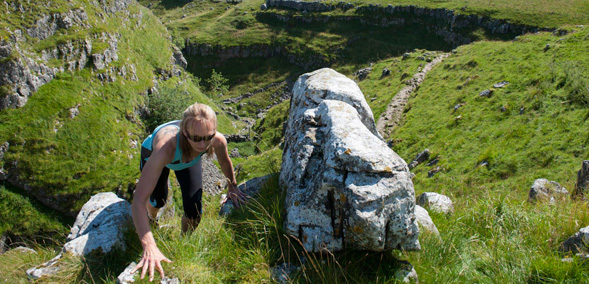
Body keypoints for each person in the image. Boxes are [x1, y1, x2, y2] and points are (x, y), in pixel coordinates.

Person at [131, 102, 246, 281]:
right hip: (157, 155)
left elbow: (224, 161)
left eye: (208, 137)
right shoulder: (165, 148)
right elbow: (138, 199)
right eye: (197, 138)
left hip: (187, 161)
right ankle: (152, 220)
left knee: (194, 212)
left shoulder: (215, 140)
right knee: (158, 200)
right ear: (184, 132)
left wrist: (232, 186)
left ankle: (184, 242)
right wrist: (149, 245)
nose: (203, 145)